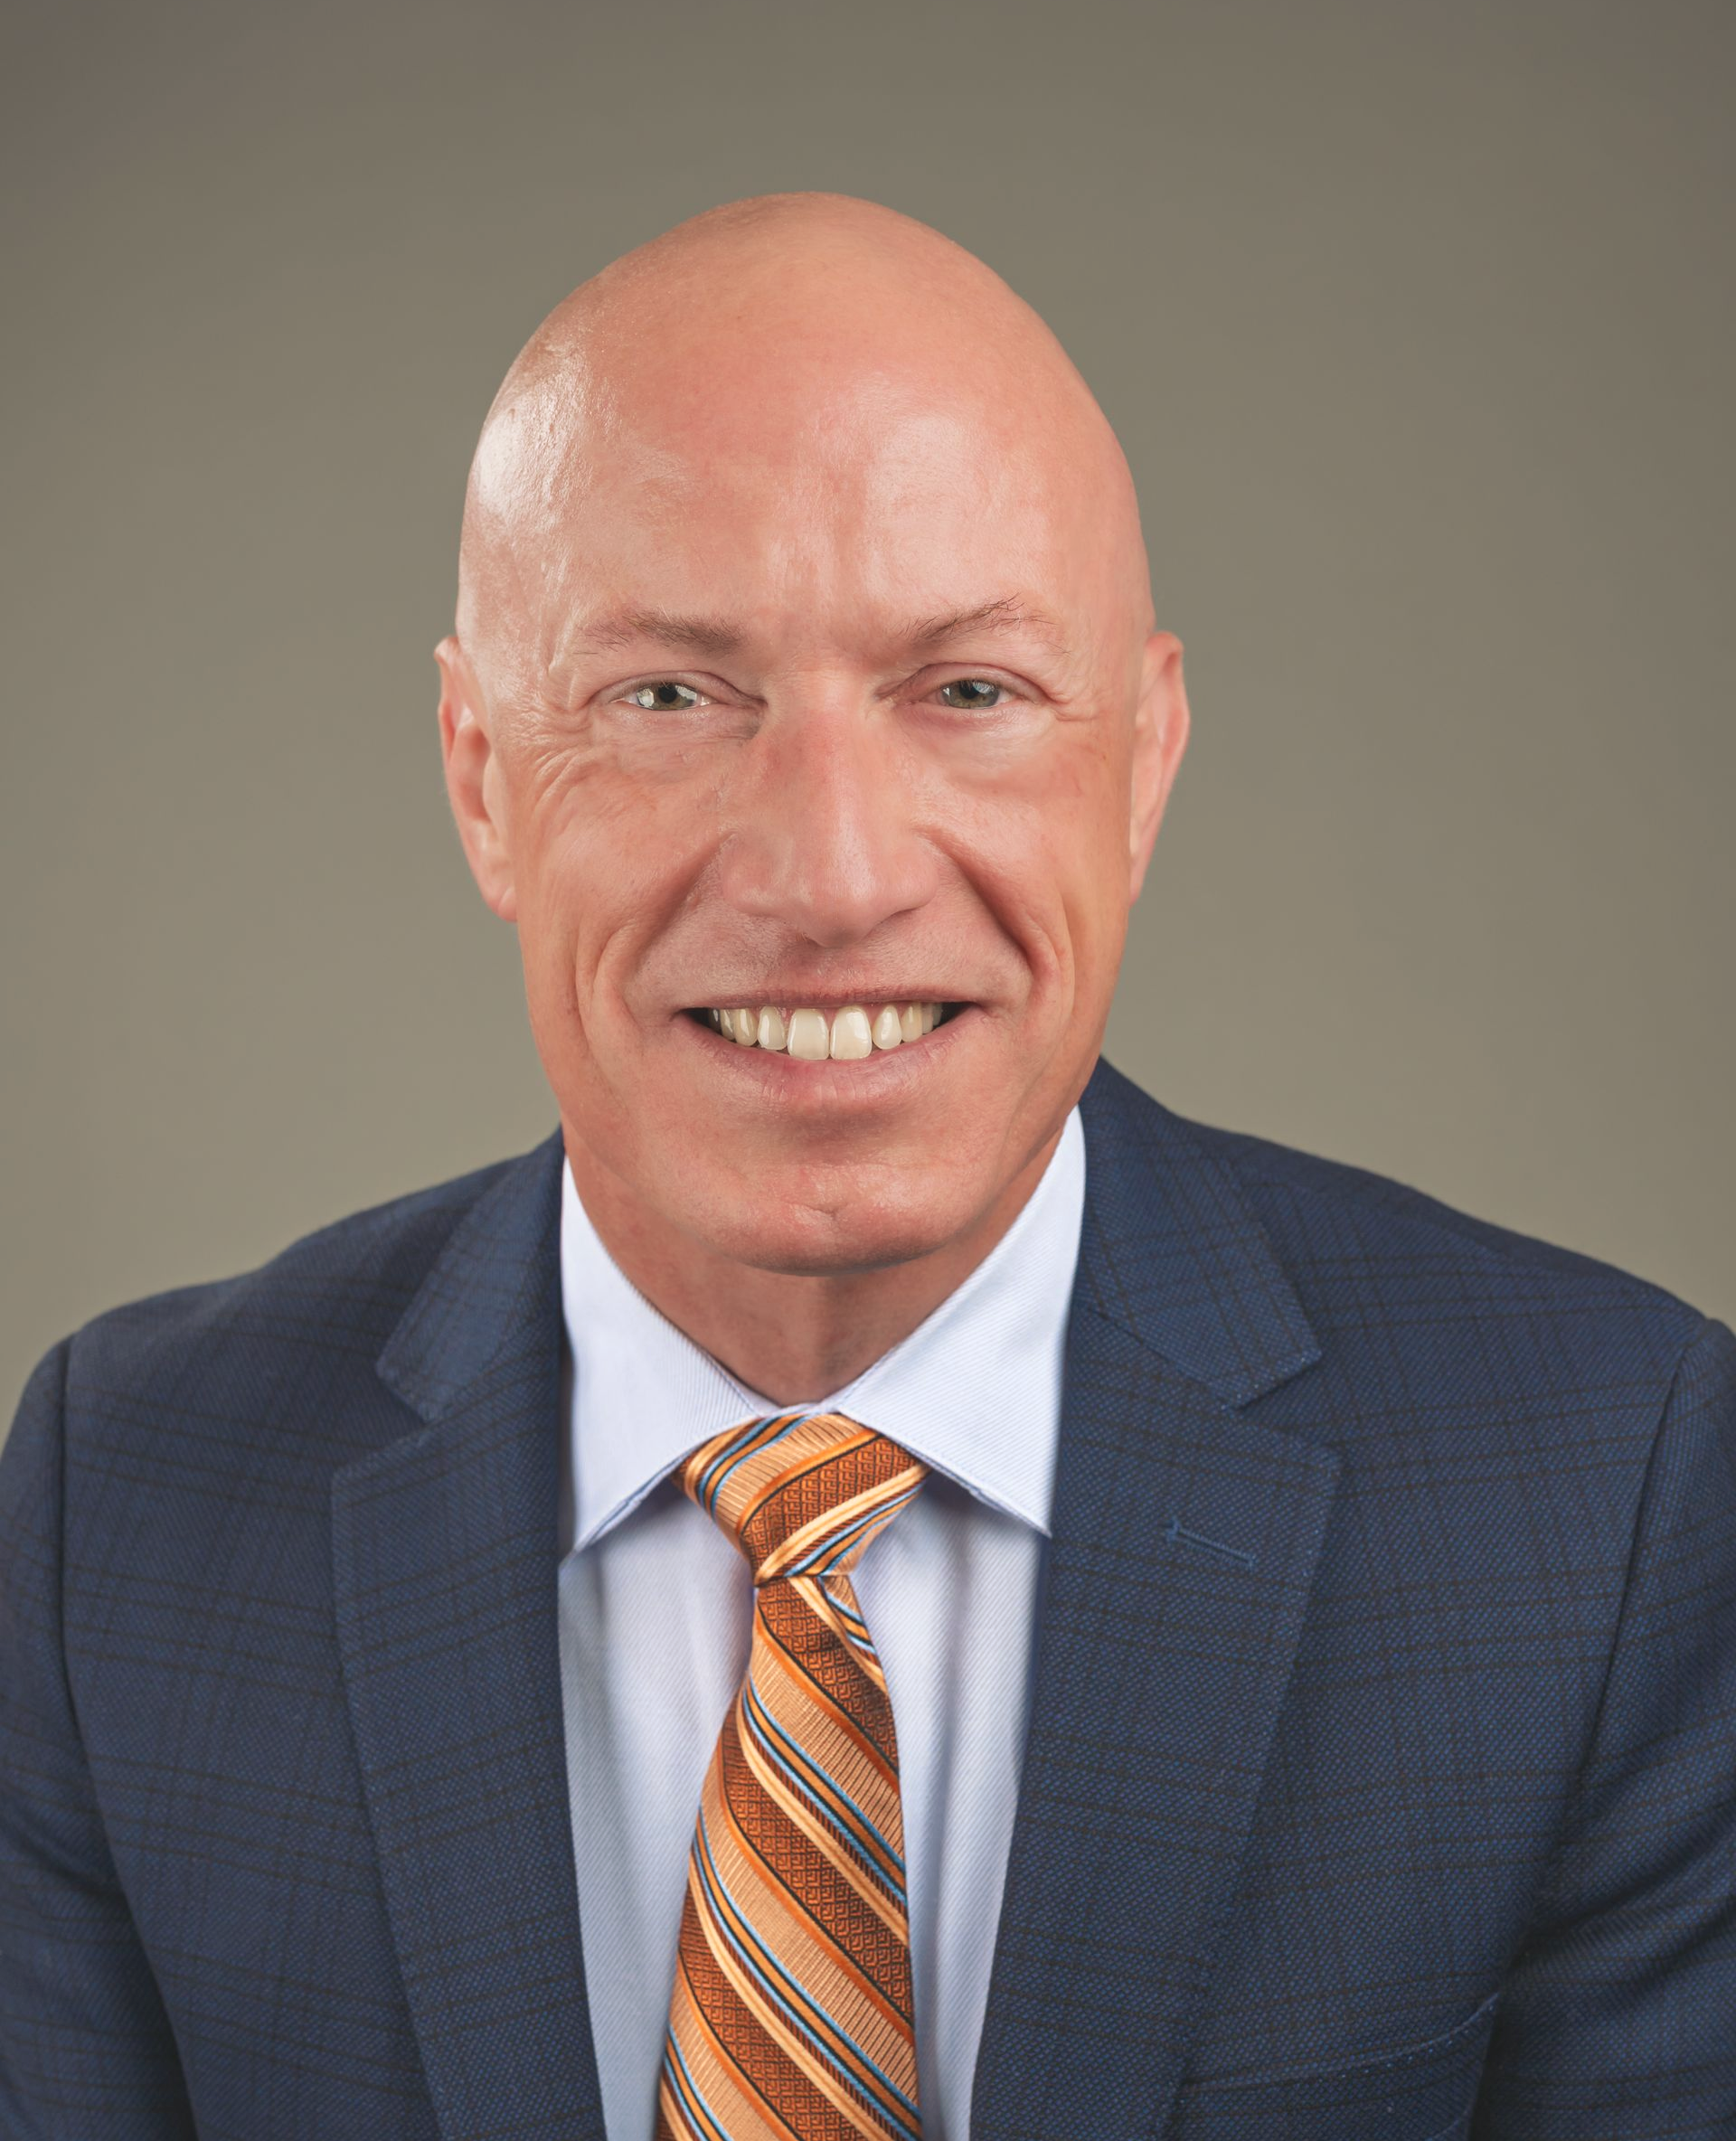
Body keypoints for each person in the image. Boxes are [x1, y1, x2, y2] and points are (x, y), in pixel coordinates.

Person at [1, 192, 1731, 2141]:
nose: (829, 876)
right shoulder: (120, 1514)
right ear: (483, 776)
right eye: (669, 695)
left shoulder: (1606, 1500)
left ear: (1143, 761)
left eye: (969, 692)